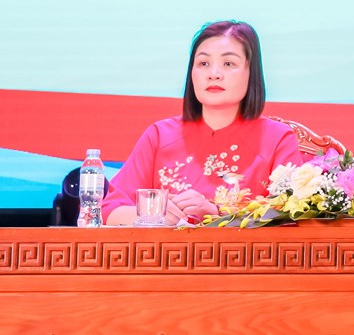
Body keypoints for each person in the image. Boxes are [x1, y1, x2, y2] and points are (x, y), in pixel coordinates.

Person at [101, 20, 302, 226]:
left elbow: (290, 219)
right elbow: (109, 210)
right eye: (203, 63)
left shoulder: (277, 139)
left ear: (251, 73)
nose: (214, 74)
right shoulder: (160, 136)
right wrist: (153, 214)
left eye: (228, 64)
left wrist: (216, 214)